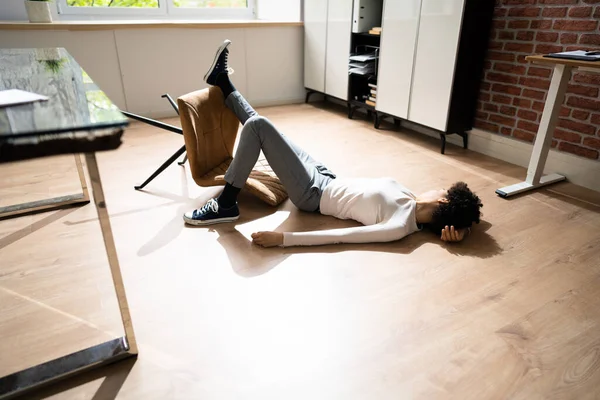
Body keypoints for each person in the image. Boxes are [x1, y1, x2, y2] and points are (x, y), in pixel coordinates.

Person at [184, 40, 483, 248]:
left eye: (443, 192)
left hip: (311, 195)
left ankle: (226, 203)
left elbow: (342, 237)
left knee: (259, 127)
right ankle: (222, 81)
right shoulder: (410, 197)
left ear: (443, 202)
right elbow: (481, 220)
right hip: (325, 176)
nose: (438, 187)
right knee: (264, 127)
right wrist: (466, 228)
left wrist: (283, 240)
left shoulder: (399, 227)